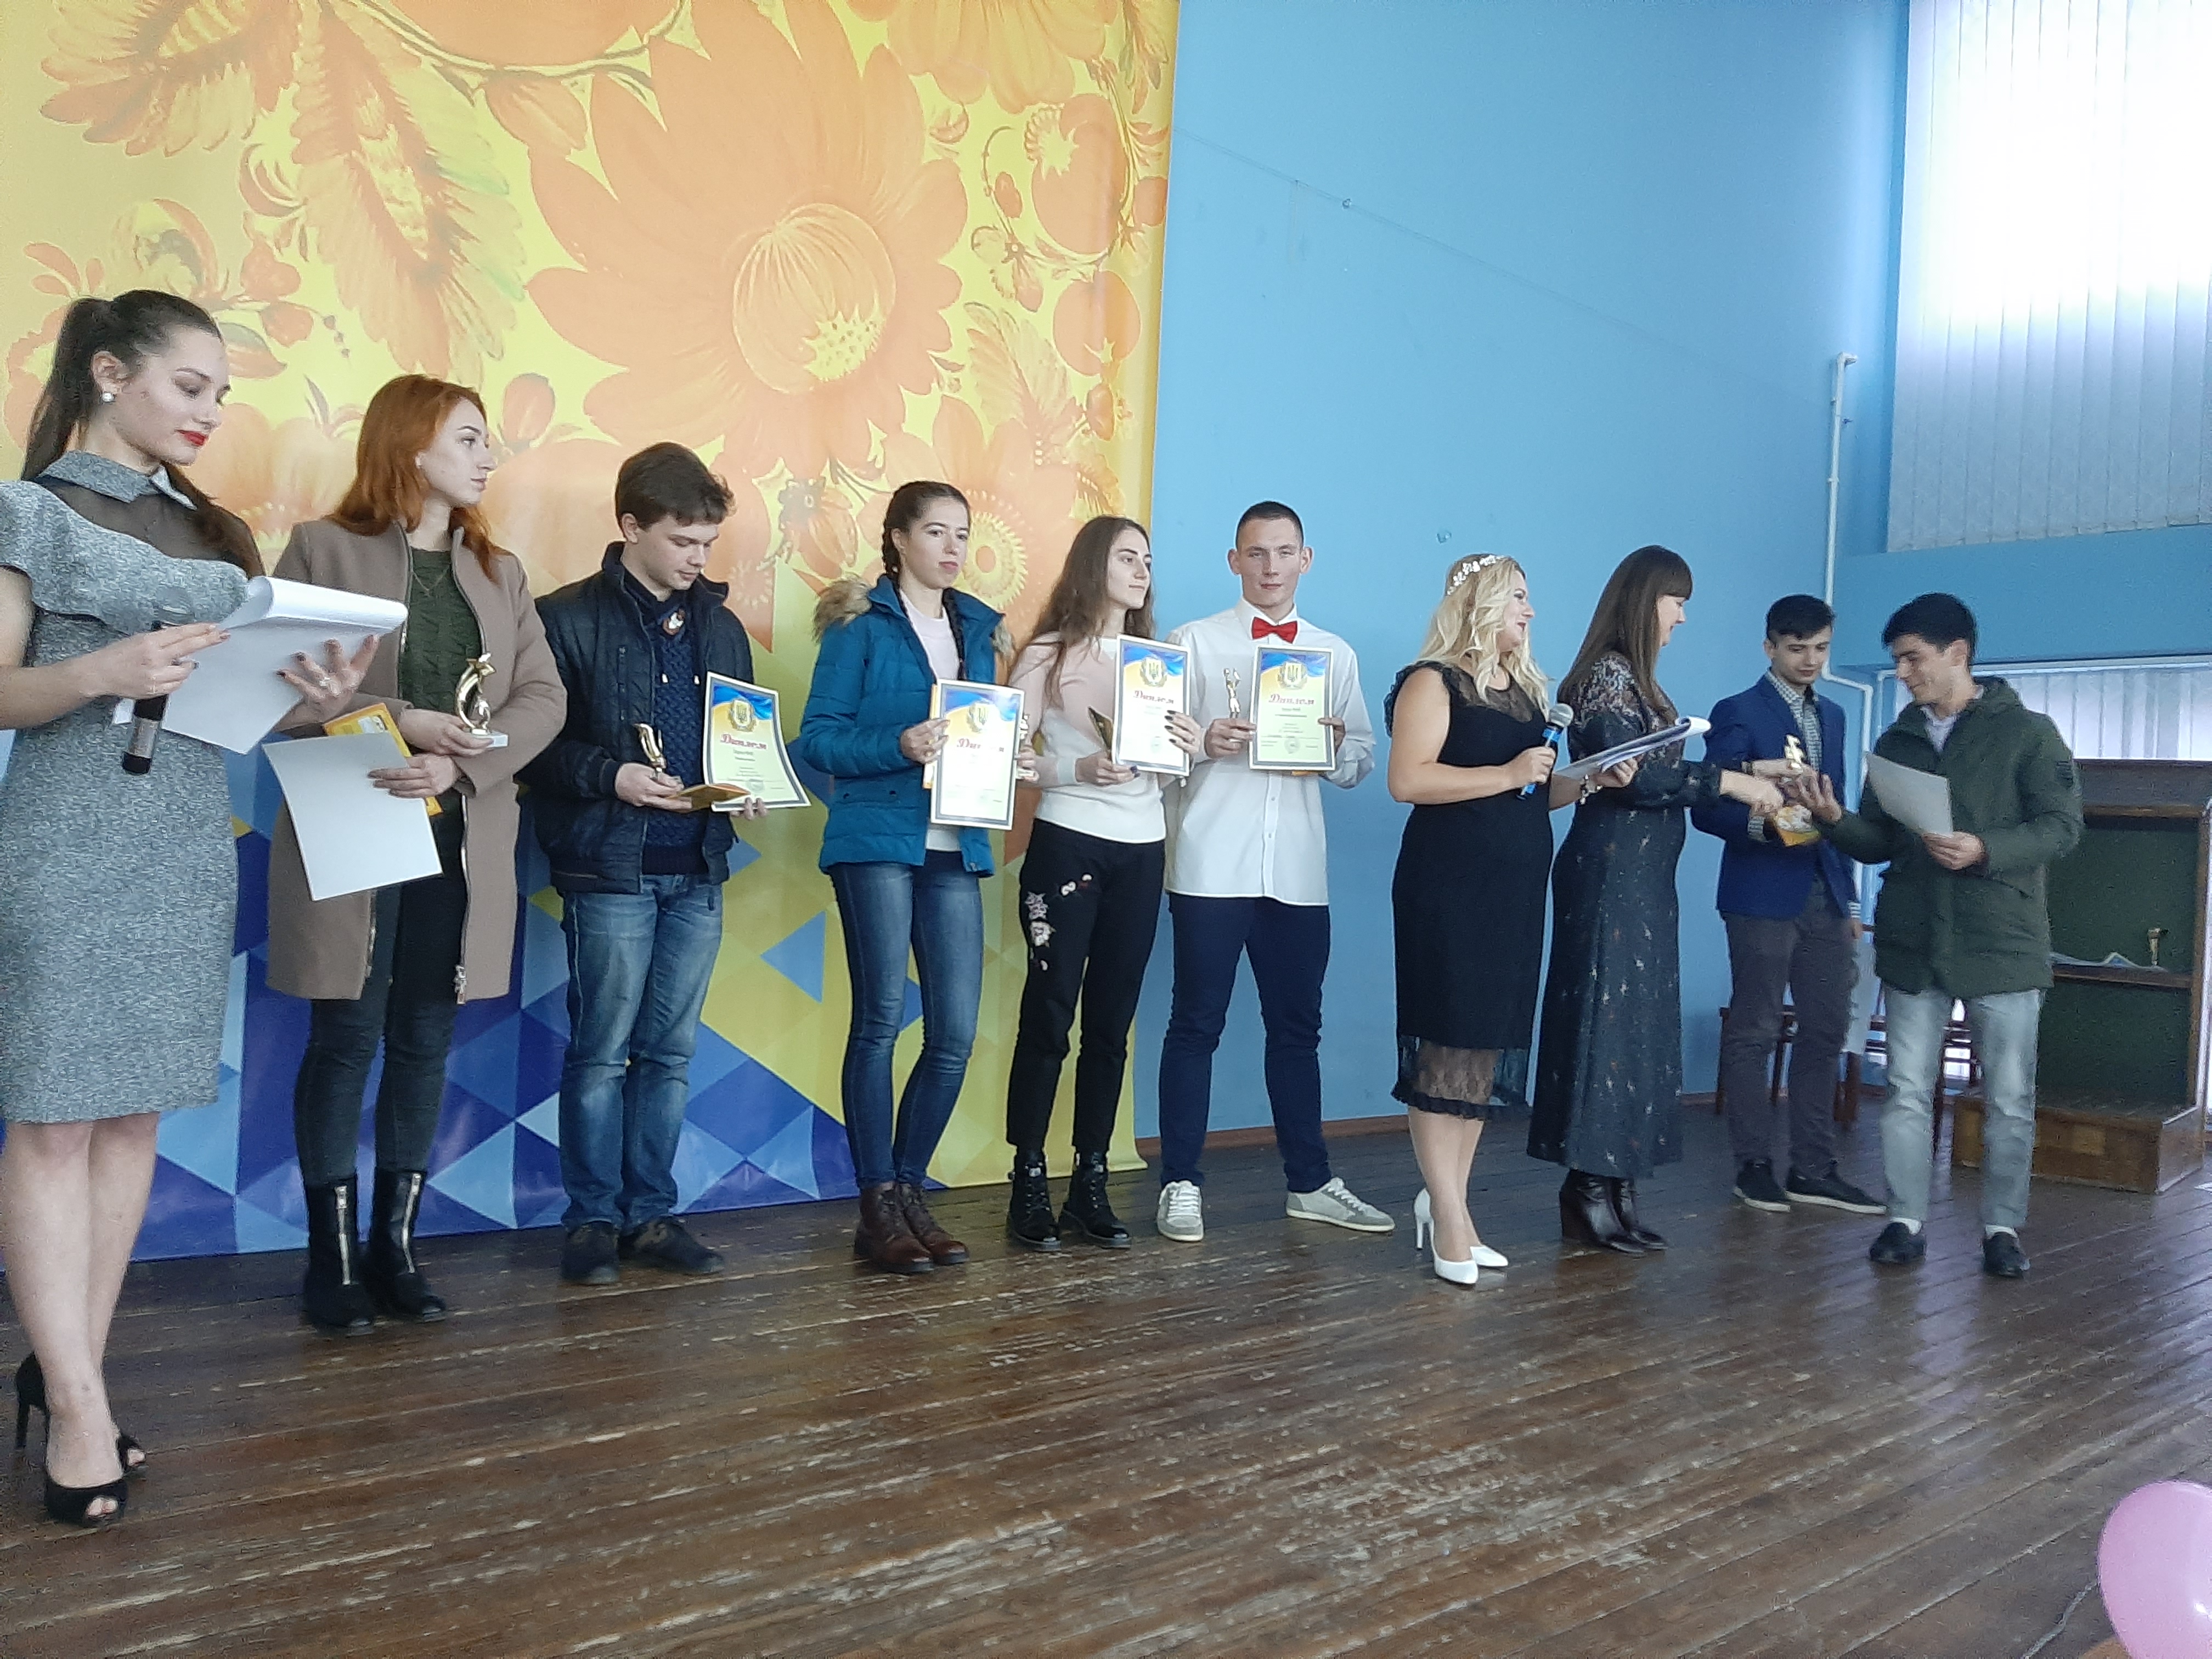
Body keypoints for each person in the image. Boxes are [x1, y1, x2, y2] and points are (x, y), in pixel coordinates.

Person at [0, 292, 366, 1526]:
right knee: (55, 1119)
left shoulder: (219, 533)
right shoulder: (27, 509)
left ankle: (74, 1379)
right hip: (65, 839)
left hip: (182, 839)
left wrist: (315, 697)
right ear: (111, 373)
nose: (212, 413)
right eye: (191, 386)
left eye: (223, 394)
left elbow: (241, 710)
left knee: (131, 1117)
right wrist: (98, 670)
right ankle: (77, 1407)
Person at [268, 374, 565, 1333]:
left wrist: (461, 764)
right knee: (347, 1034)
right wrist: (407, 721)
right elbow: (289, 685)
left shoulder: (499, 570)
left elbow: (544, 698)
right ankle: (330, 1259)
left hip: (461, 829)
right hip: (354, 809)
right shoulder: (323, 549)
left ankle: (395, 1249)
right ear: (410, 443)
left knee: (426, 1034)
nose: (488, 455)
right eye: (469, 437)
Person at [524, 443, 767, 1287]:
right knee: (602, 1051)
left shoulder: (722, 627)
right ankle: (592, 1219)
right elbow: (532, 748)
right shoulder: (564, 618)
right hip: (609, 865)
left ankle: (652, 1215)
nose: (699, 559)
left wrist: (749, 784)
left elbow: (740, 737)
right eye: (682, 541)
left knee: (670, 1053)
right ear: (630, 525)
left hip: (698, 864)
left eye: (708, 543)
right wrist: (613, 776)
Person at [1796, 593, 2081, 1278]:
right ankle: (1904, 1221)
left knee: (2008, 1100)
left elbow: (2063, 827)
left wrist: (1986, 848)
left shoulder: (2030, 734)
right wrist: (1834, 818)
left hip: (2002, 944)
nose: (1902, 673)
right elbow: (1879, 840)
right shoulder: (1898, 741)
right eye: (1897, 661)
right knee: (1905, 1091)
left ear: (1958, 654)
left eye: (1912, 659)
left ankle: (2002, 1230)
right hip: (1914, 941)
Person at [795, 481, 1029, 1275]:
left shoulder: (980, 629)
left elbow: (984, 733)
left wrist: (1013, 761)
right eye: (936, 532)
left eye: (963, 533)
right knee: (880, 1021)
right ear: (897, 539)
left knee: (955, 1033)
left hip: (954, 844)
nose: (954, 548)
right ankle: (877, 1204)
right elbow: (818, 740)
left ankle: (908, 1190)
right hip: (876, 840)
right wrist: (897, 743)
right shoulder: (860, 626)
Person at [1385, 554, 1635, 1286]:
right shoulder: (1433, 682)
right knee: (1444, 1048)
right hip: (1447, 890)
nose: (1530, 612)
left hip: (1515, 896)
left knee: (1481, 1056)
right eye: (1518, 597)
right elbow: (1408, 779)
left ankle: (1450, 1204)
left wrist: (1585, 780)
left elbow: (1533, 794)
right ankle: (1449, 1216)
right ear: (1481, 603)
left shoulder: (1528, 694)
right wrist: (1507, 773)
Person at [1528, 546, 1784, 1254]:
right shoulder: (1608, 676)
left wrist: (1747, 768)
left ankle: (1617, 1184)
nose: (1682, 618)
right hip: (1611, 875)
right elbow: (1633, 777)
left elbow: (1659, 765)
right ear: (1647, 602)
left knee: (1636, 1032)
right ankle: (1587, 1187)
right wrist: (1730, 782)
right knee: (1608, 1027)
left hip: (1640, 879)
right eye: (1677, 603)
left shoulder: (1635, 681)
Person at [1154, 500, 1391, 1244]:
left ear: (1305, 559)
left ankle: (1310, 1183)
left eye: (1284, 552)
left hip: (1295, 870)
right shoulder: (1192, 642)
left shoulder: (1334, 655)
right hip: (1210, 863)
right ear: (1235, 561)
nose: (1271, 567)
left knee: (1297, 1031)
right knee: (1196, 1023)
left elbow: (1359, 762)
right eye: (1256, 553)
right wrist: (1204, 744)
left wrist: (1332, 749)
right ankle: (1180, 1183)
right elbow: (1152, 752)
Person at [1002, 516, 1200, 1251]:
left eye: (1147, 559)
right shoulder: (1048, 654)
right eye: (1126, 557)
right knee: (1050, 1014)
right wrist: (1076, 768)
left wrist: (1185, 749)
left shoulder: (1161, 662)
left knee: (1112, 1025)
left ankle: (1091, 1179)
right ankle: (1028, 1177)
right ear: (1094, 565)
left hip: (1142, 849)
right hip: (1069, 841)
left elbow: (1171, 769)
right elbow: (1008, 754)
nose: (1142, 570)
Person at [1691, 595, 1883, 1217]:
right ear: (1769, 646)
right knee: (1757, 1028)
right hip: (1760, 890)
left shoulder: (1834, 714)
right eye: (1797, 648)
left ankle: (1813, 1169)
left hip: (1824, 889)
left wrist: (1849, 897)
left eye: (1821, 648)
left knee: (1826, 1028)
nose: (1810, 660)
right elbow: (1707, 805)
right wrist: (1765, 827)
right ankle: (1753, 1166)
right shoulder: (1738, 711)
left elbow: (1836, 806)